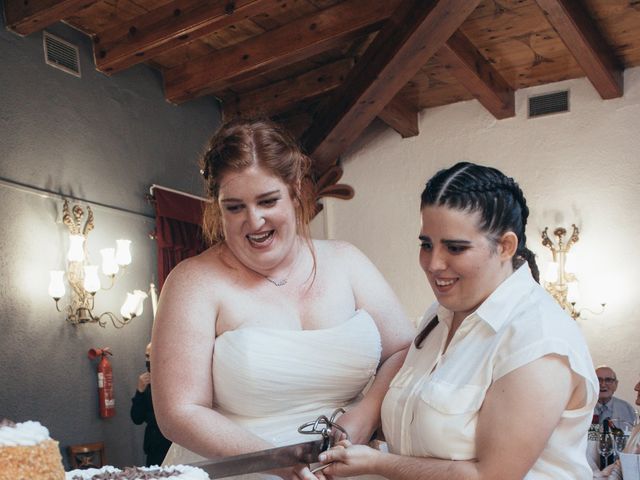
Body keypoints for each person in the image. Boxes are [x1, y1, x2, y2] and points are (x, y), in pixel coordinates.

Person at [151, 118, 415, 480]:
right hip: (244, 469)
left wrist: (367, 413)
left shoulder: (347, 260)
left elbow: (403, 350)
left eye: (267, 200)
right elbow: (180, 411)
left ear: (295, 192)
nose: (254, 220)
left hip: (348, 465)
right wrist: (278, 460)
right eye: (234, 207)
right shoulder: (193, 282)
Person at [317, 161, 599, 479]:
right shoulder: (437, 317)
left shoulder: (539, 339)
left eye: (455, 247)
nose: (434, 264)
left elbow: (491, 476)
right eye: (426, 245)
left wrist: (377, 464)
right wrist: (366, 414)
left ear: (505, 246)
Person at [130, 342, 172, 467]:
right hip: (152, 446)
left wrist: (150, 417)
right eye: (146, 356)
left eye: (150, 356)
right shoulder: (146, 382)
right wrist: (139, 392)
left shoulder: (172, 380)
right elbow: (136, 418)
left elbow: (169, 416)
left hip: (170, 445)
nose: (147, 360)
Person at [594, 377, 640, 479]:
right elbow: (621, 466)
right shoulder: (638, 428)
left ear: (616, 384)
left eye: (608, 380)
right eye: (598, 380)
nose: (636, 387)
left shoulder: (627, 408)